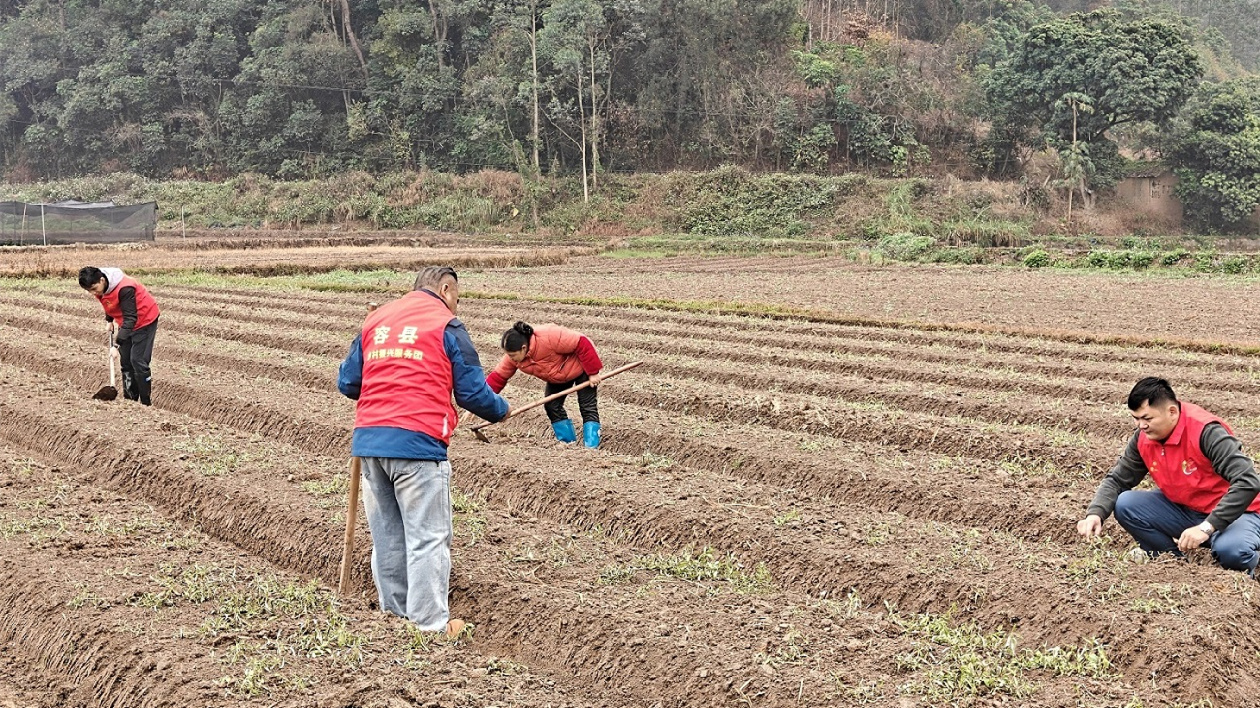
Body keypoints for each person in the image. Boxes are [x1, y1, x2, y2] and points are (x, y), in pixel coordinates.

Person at [337, 266, 509, 637]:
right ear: (446, 289)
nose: (456, 307)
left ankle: (395, 618)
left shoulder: (377, 320)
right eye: (457, 299)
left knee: (388, 537)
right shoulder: (446, 326)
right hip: (418, 443)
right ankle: (429, 625)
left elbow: (348, 382)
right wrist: (501, 410)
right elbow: (473, 394)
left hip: (370, 445)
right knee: (427, 537)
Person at [1077, 377, 1260, 574]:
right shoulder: (1143, 438)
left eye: (1147, 419)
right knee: (1126, 504)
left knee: (1232, 551)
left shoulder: (1205, 431)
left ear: (1172, 411)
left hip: (1240, 514)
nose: (1141, 426)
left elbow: (1247, 481)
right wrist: (1095, 513)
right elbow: (1118, 479)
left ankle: (1252, 565)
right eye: (1136, 419)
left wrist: (1206, 527)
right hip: (1187, 510)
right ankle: (1174, 567)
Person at [486, 321, 604, 448]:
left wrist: (593, 372)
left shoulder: (549, 336)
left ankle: (591, 448)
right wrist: (481, 398)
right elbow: (498, 377)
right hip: (557, 376)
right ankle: (568, 444)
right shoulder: (514, 358)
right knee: (552, 406)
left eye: (513, 355)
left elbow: (581, 342)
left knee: (587, 406)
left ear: (523, 348)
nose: (511, 358)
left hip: (581, 367)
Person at [78, 266, 160, 406]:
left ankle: (146, 403)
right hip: (127, 321)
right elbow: (109, 302)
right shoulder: (101, 288)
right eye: (89, 291)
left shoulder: (125, 288)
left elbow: (130, 319)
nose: (93, 293)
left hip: (144, 320)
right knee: (126, 362)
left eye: (93, 289)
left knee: (138, 361)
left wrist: (116, 345)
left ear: (102, 280)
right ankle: (130, 402)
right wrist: (109, 320)